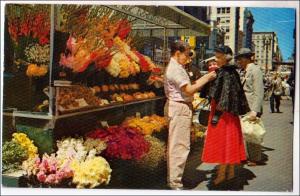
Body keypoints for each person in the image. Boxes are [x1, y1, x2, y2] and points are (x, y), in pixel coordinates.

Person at [164, 40, 216, 190]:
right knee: (179, 147)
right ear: (178, 53)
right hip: (179, 108)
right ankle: (175, 183)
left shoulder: (178, 67)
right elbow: (189, 90)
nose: (189, 58)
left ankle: (175, 180)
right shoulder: (175, 69)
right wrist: (207, 78)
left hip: (181, 108)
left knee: (180, 146)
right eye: (187, 55)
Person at [201, 45, 250, 185]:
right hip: (230, 113)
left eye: (218, 56)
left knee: (222, 142)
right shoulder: (232, 71)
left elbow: (224, 95)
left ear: (226, 57)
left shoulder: (225, 72)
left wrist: (216, 114)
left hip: (222, 113)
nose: (215, 60)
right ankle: (230, 172)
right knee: (231, 141)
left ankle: (222, 174)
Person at [235, 48, 264, 166]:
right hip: (244, 106)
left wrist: (255, 110)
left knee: (253, 133)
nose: (238, 62)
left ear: (246, 58)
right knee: (245, 132)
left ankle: (254, 158)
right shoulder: (244, 70)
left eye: (240, 59)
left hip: (252, 107)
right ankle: (245, 155)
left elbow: (259, 91)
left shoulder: (255, 70)